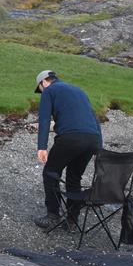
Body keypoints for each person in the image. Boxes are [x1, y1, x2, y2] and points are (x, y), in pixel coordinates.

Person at [34, 70, 102, 231]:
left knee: (51, 172)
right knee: (74, 177)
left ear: (44, 82)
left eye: (40, 89)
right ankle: (72, 220)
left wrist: (42, 147)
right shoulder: (79, 91)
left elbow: (44, 120)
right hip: (93, 139)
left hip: (71, 138)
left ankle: (52, 216)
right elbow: (94, 119)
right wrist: (99, 147)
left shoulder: (49, 91)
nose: (41, 92)